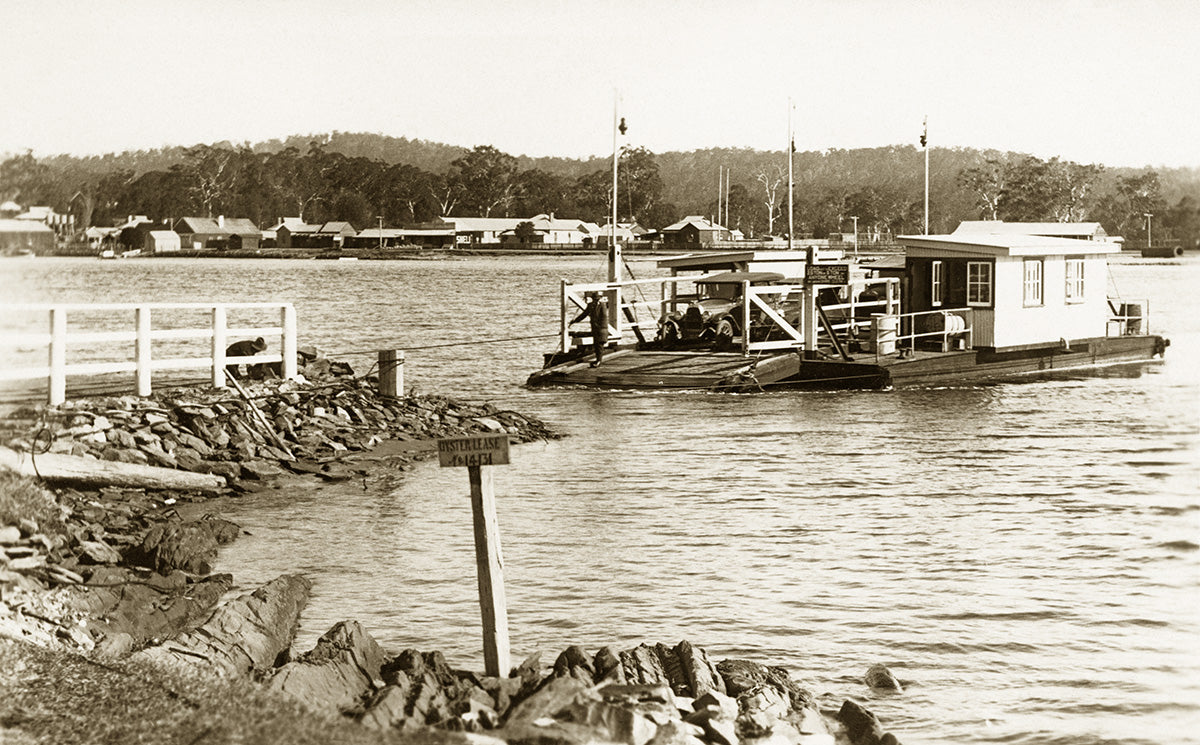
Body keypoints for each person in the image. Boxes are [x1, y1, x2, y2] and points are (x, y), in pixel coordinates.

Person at [570, 292, 609, 367]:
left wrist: (601, 327)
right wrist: (575, 321)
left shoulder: (603, 306)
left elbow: (604, 317)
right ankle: (598, 360)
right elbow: (584, 314)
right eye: (594, 299)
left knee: (600, 344)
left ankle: (598, 361)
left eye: (597, 299)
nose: (595, 300)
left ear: (599, 299)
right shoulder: (590, 305)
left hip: (601, 328)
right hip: (595, 328)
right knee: (597, 344)